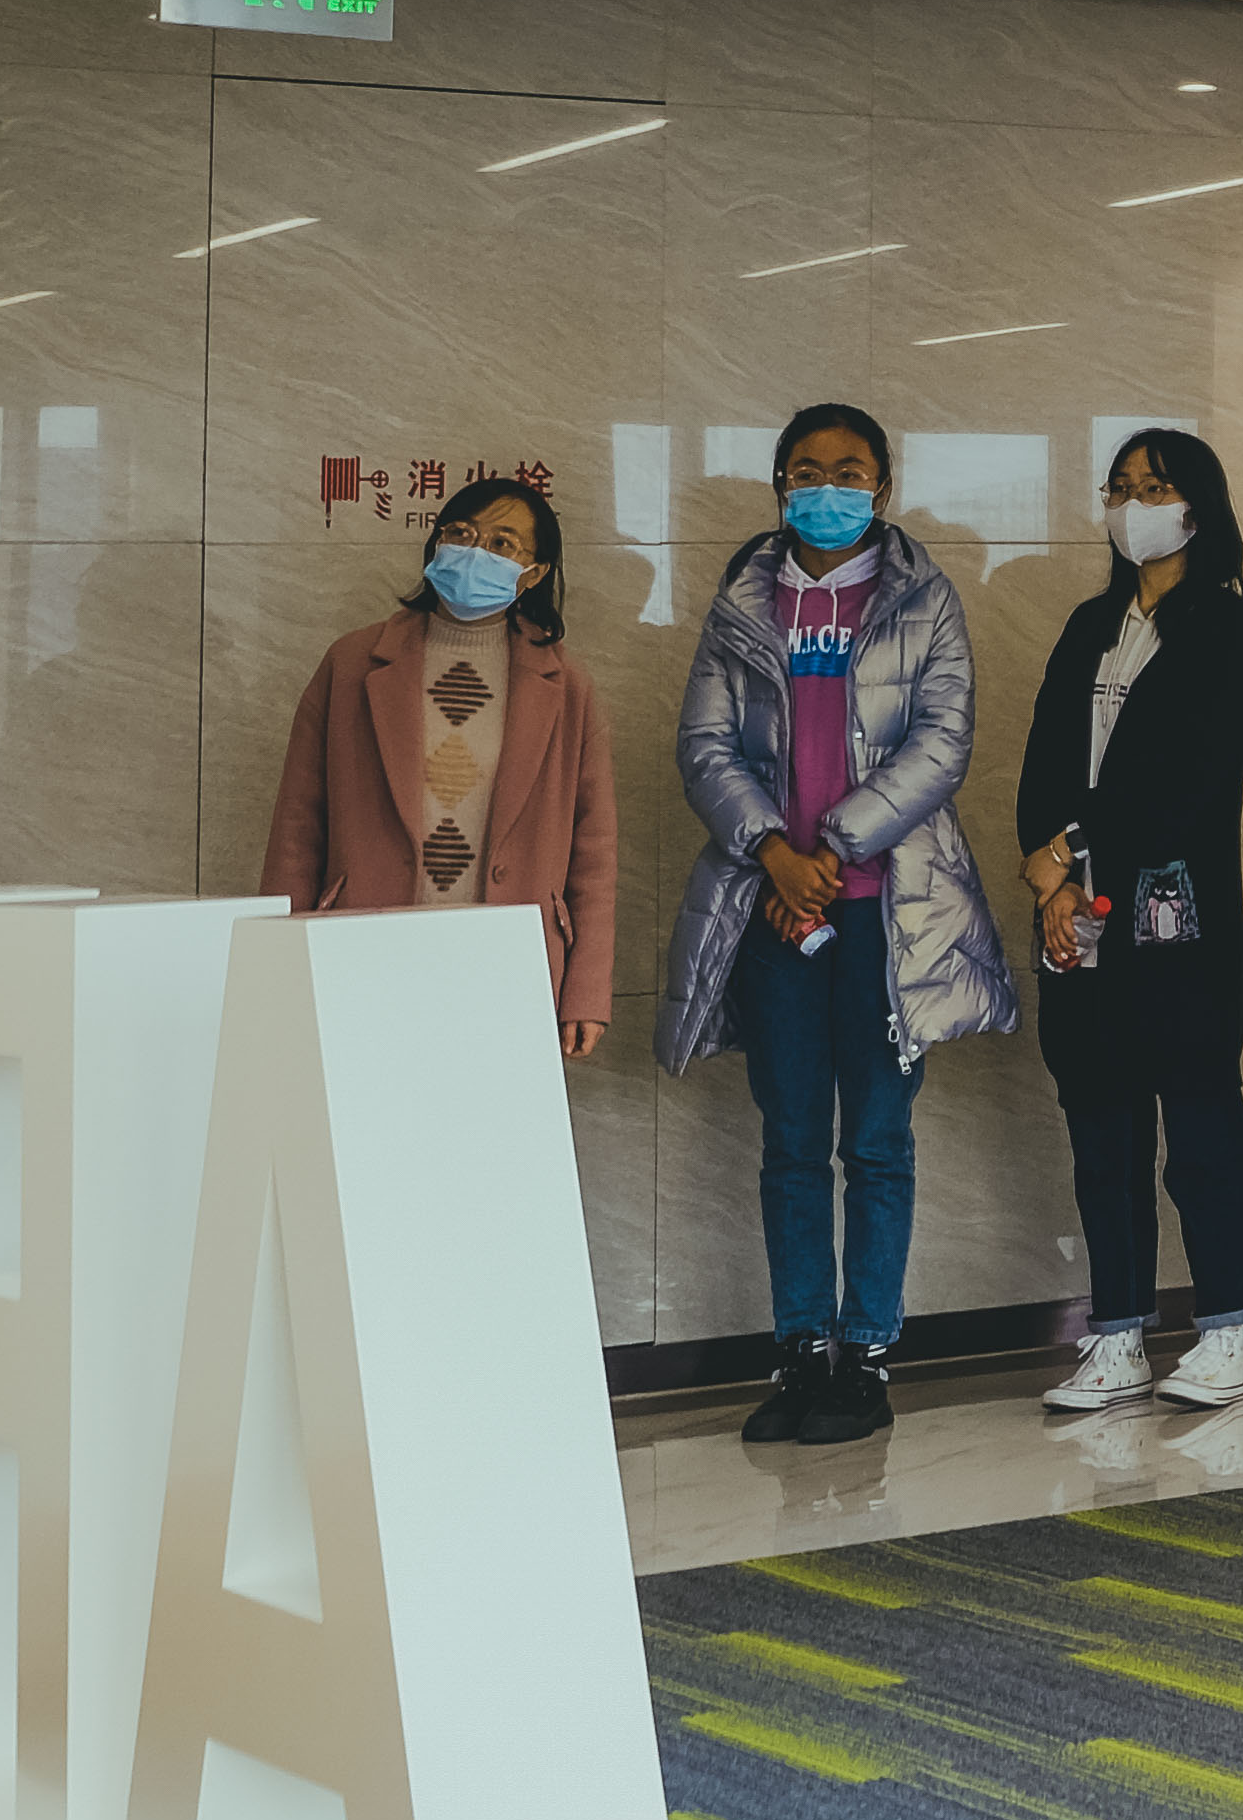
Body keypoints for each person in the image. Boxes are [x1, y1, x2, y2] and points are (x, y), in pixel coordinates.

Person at [660, 406, 1005, 1449]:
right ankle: (800, 1350)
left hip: (887, 912)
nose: (828, 488)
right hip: (775, 906)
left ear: (882, 487)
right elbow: (704, 743)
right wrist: (774, 852)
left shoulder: (924, 598)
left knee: (880, 1140)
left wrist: (834, 847)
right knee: (793, 1139)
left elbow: (943, 741)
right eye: (806, 470)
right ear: (779, 484)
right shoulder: (744, 600)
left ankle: (867, 1354)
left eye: (850, 471)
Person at [1023, 434, 1243, 1414]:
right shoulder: (1091, 622)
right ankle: (1118, 1332)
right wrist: (1049, 873)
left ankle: (1224, 1327)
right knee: (1102, 1127)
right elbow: (1046, 755)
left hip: (1176, 907)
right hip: (1076, 908)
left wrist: (1072, 845)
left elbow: (1187, 774)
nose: (1134, 506)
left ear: (1196, 507)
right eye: (1120, 488)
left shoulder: (1223, 623)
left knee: (1199, 1119)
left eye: (1155, 488)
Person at [263, 474, 620, 1056]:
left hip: (508, 957)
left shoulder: (566, 685)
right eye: (461, 534)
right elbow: (298, 826)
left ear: (534, 574)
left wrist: (586, 989)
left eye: (502, 544)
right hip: (362, 942)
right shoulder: (352, 663)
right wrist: (278, 959)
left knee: (492, 1110)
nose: (475, 552)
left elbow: (594, 850)